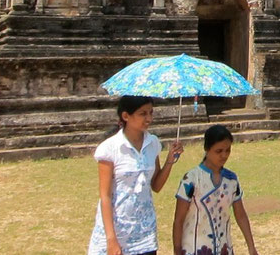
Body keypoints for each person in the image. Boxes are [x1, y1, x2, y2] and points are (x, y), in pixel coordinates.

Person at [88, 95, 185, 255]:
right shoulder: (110, 148)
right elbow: (105, 196)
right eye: (143, 114)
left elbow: (156, 186)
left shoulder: (152, 143)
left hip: (144, 232)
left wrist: (170, 161)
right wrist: (111, 239)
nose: (148, 118)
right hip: (117, 230)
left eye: (151, 113)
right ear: (126, 116)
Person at [172, 124, 259, 255]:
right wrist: (177, 251)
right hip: (194, 249)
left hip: (224, 248)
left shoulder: (232, 180)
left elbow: (240, 215)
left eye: (227, 150)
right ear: (207, 149)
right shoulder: (191, 179)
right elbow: (178, 220)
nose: (224, 155)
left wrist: (251, 247)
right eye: (219, 151)